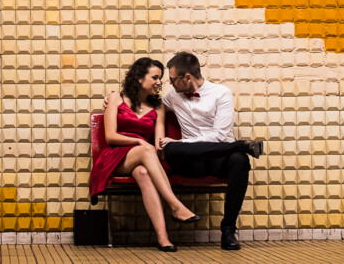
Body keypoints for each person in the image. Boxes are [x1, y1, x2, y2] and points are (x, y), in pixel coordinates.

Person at [103, 51, 263, 251]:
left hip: (217, 156)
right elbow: (138, 104)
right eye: (161, 79)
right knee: (172, 148)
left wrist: (181, 142)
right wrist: (111, 98)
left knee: (240, 161)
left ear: (187, 77)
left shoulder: (221, 94)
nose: (166, 84)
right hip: (190, 160)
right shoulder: (171, 97)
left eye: (171, 80)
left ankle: (228, 231)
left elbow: (219, 136)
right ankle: (240, 145)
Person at [90, 57, 201, 253]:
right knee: (147, 149)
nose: (159, 82)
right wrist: (140, 141)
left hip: (143, 157)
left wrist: (163, 151)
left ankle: (163, 238)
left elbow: (158, 143)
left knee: (143, 173)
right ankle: (175, 205)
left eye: (160, 78)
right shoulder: (116, 98)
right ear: (140, 78)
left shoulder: (158, 106)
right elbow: (110, 136)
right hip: (116, 157)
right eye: (155, 77)